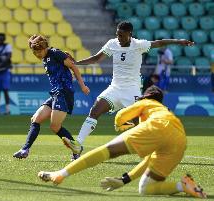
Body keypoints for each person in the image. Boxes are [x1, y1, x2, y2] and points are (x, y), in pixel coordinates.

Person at [38, 85, 207, 199]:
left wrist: (121, 125)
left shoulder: (146, 102)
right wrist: (126, 179)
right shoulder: (164, 111)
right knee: (146, 188)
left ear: (146, 96)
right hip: (180, 140)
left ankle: (60, 174)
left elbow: (120, 116)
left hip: (156, 128)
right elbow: (150, 160)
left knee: (106, 150)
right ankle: (183, 185)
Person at [62, 21, 194, 159]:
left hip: (132, 90)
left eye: (121, 35)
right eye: (117, 34)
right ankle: (78, 145)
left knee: (139, 124)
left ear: (129, 34)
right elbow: (96, 58)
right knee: (95, 110)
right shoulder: (112, 44)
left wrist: (179, 41)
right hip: (115, 88)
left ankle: (158, 146)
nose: (118, 37)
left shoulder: (139, 45)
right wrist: (76, 63)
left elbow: (159, 43)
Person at [13, 35, 90, 160]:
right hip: (56, 93)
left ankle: (77, 149)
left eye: (39, 51)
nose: (37, 54)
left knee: (55, 126)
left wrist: (82, 85)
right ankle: (25, 149)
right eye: (34, 52)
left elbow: (73, 66)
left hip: (64, 93)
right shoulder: (45, 58)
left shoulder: (55, 53)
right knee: (36, 119)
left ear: (44, 48)